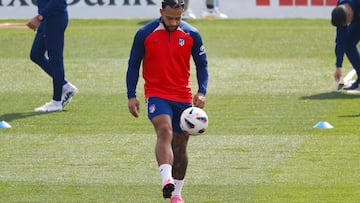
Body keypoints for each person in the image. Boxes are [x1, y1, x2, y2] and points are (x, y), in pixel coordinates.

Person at [126, 0, 209, 202]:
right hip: (156, 93)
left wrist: (201, 92)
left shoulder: (192, 34)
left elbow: (202, 65)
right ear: (161, 11)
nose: (173, 22)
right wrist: (131, 95)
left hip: (182, 95)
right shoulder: (145, 33)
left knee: (180, 147)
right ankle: (166, 180)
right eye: (169, 18)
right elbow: (133, 65)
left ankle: (177, 194)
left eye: (178, 18)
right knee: (165, 130)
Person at [26, 0, 77, 113]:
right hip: (46, 18)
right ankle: (65, 85)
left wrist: (39, 17)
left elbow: (58, 2)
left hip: (54, 18)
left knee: (55, 59)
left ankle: (56, 102)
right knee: (36, 54)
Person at [331, 0, 360, 90]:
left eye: (346, 23)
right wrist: (338, 65)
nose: (346, 25)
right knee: (348, 43)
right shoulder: (341, 11)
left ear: (350, 15)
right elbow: (340, 40)